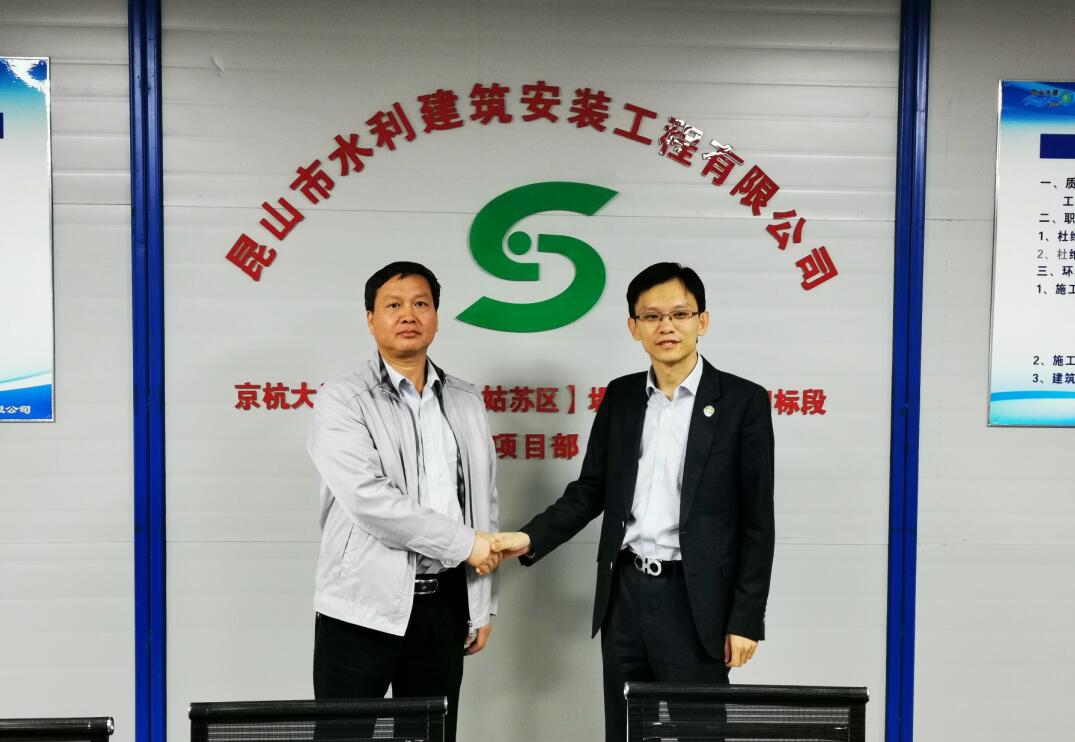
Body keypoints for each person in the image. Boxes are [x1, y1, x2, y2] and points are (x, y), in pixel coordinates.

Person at [494, 262, 775, 742]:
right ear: (634, 327)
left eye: (680, 314)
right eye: (651, 316)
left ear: (702, 321)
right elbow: (591, 490)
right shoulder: (622, 396)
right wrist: (528, 537)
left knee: (699, 734)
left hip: (695, 601)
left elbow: (757, 521)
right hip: (625, 595)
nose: (667, 327)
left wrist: (746, 619)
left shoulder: (742, 402)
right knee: (624, 731)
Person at [307, 261, 500, 742]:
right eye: (393, 305)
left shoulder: (466, 399)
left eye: (421, 304)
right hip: (360, 607)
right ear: (370, 319)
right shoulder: (343, 400)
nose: (408, 314)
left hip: (443, 607)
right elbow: (370, 501)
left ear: (436, 317)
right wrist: (467, 545)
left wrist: (482, 603)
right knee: (342, 738)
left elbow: (484, 502)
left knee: (429, 736)